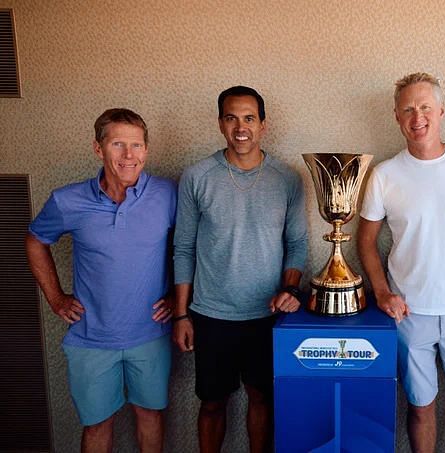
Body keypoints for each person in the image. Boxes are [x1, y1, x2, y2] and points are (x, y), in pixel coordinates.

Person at [357, 72, 445, 453]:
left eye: (424, 107)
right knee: (421, 407)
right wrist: (383, 293)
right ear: (397, 116)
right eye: (408, 109)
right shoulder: (384, 174)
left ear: (440, 111)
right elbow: (365, 241)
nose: (417, 117)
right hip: (409, 311)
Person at [25, 108, 177, 453]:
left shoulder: (168, 195)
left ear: (147, 150)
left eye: (136, 145)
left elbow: (190, 247)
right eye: (118, 144)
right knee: (97, 425)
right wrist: (56, 297)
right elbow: (35, 240)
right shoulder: (67, 200)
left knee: (150, 415)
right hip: (90, 338)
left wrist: (177, 299)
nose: (129, 155)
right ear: (98, 148)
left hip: (150, 334)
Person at [172, 85, 308, 453]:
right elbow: (182, 247)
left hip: (266, 315)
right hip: (211, 314)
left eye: (249, 118)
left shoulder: (287, 178)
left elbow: (296, 245)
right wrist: (182, 314)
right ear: (220, 124)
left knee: (262, 398)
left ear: (263, 124)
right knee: (212, 403)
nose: (240, 126)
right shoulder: (197, 176)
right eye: (231, 118)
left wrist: (291, 290)